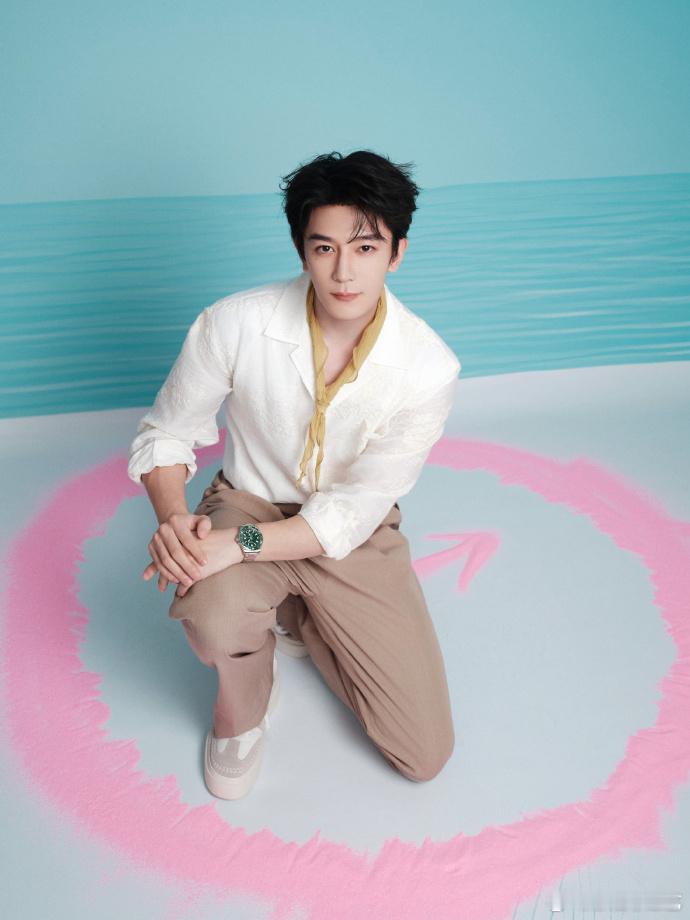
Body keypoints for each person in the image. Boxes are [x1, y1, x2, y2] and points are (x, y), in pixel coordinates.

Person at [127, 149, 461, 800]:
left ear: (397, 253)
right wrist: (175, 522)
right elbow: (166, 434)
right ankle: (242, 708)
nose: (344, 271)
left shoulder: (429, 368)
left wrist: (239, 547)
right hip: (249, 503)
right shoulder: (234, 322)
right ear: (302, 250)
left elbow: (354, 510)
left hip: (352, 533)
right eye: (324, 247)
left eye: (366, 248)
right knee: (212, 612)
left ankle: (298, 615)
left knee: (423, 753)